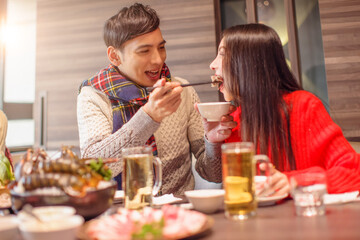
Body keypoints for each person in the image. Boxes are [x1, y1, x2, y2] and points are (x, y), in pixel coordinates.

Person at [77, 3, 234, 194]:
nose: (158, 60)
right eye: (144, 51)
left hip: (179, 214)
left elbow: (213, 175)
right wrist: (149, 117)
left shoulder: (182, 91)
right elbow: (95, 169)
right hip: (120, 214)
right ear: (114, 56)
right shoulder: (94, 97)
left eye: (161, 47)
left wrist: (212, 142)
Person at [209, 23, 360, 194]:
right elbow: (222, 182)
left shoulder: (304, 107)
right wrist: (212, 142)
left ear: (247, 63)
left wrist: (294, 181)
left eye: (222, 54)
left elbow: (354, 172)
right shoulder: (231, 121)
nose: (212, 65)